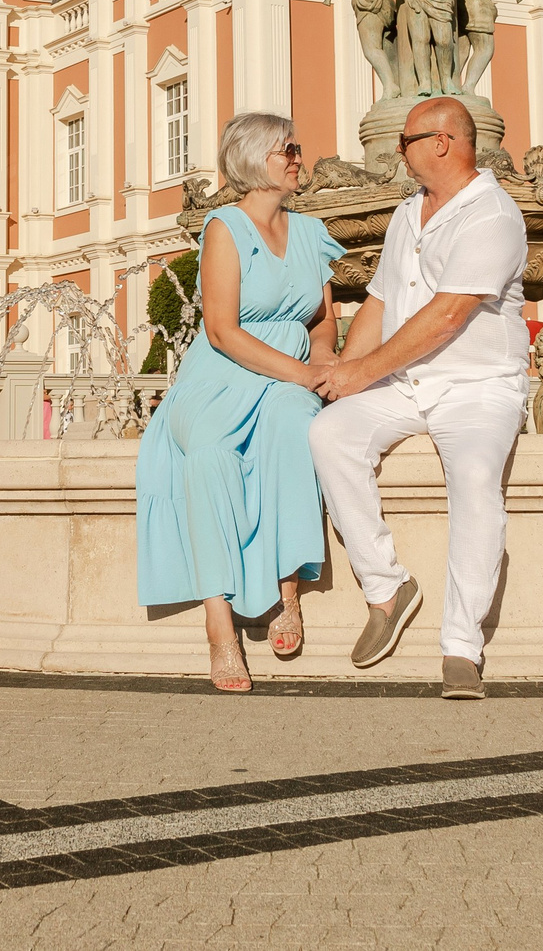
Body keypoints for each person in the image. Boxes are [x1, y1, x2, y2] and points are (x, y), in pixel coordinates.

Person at [307, 95, 531, 700]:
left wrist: (361, 373)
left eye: (404, 141)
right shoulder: (409, 212)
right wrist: (341, 376)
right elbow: (379, 304)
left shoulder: (493, 215)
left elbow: (448, 315)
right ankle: (387, 587)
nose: (395, 151)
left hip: (477, 386)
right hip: (408, 382)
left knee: (478, 483)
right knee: (329, 434)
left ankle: (462, 646)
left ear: (442, 143)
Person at [136, 111, 342, 692]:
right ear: (255, 161)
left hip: (286, 379)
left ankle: (287, 592)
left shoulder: (309, 232)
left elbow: (323, 320)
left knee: (294, 427)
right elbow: (223, 331)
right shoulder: (225, 226)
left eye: (296, 147)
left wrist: (323, 358)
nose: (300, 157)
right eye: (288, 149)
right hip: (222, 376)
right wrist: (300, 371)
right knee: (208, 455)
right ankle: (219, 628)